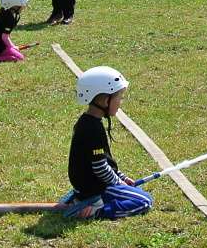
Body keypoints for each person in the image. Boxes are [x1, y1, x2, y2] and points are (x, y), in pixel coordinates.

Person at [58, 65, 153, 220]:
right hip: (96, 189)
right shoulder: (92, 129)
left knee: (138, 192)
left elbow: (104, 161)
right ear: (104, 100)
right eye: (119, 97)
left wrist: (122, 177)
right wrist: (119, 183)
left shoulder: (88, 122)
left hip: (91, 186)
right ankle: (98, 210)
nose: (120, 102)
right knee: (145, 201)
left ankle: (87, 201)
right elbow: (100, 168)